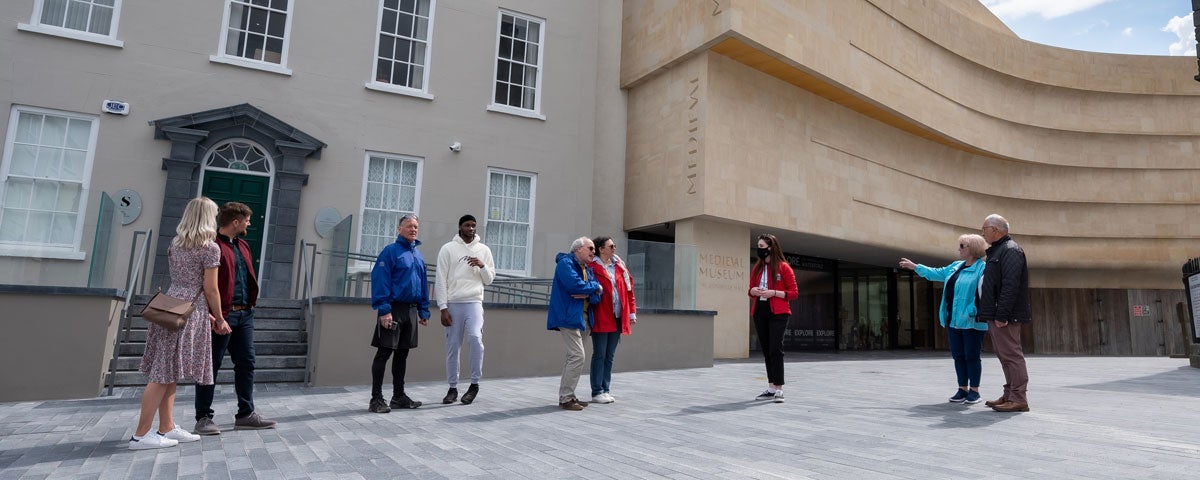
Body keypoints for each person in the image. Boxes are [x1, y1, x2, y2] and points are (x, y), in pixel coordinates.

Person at [130, 197, 227, 449]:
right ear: (208, 217)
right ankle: (141, 435)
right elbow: (211, 289)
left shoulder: (176, 243)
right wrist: (219, 316)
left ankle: (167, 427)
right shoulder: (210, 248)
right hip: (188, 312)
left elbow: (183, 281)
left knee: (168, 371)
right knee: (162, 374)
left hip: (171, 305)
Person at [194, 202, 276, 435]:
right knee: (210, 366)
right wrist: (213, 315)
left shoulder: (244, 246)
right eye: (247, 220)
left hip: (245, 314)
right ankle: (203, 418)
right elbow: (203, 284)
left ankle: (245, 414)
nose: (250, 223)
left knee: (247, 362)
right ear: (236, 222)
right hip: (221, 316)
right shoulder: (212, 247)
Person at [899, 234, 989, 404]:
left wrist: (975, 309)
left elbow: (987, 293)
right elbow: (935, 273)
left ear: (973, 249)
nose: (959, 249)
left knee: (972, 355)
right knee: (958, 355)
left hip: (972, 321)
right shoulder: (955, 266)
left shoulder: (982, 269)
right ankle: (962, 389)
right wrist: (915, 266)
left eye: (962, 246)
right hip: (953, 320)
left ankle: (974, 391)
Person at [369, 214, 431, 413]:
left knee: (402, 354)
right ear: (399, 229)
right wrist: (384, 310)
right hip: (393, 309)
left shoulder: (418, 256)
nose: (413, 229)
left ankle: (398, 396)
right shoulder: (390, 252)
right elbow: (380, 280)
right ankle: (376, 399)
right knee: (384, 353)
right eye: (409, 226)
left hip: (411, 310)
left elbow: (423, 285)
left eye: (416, 227)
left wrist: (423, 310)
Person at [434, 214, 495, 405]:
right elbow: (440, 279)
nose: (471, 229)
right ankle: (452, 388)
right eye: (467, 225)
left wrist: (482, 265)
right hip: (453, 303)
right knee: (453, 345)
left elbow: (489, 279)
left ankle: (474, 384)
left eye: (474, 226)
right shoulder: (448, 249)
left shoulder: (483, 250)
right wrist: (443, 307)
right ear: (460, 227)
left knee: (476, 338)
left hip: (474, 302)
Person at [978, 214, 1032, 413]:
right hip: (996, 314)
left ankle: (1018, 398)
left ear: (996, 230)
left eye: (984, 228)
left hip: (1005, 316)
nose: (982, 232)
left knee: (1011, 355)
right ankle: (1010, 394)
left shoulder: (1010, 250)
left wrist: (1002, 314)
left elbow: (1010, 285)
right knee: (1004, 356)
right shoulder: (998, 250)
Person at [547, 237, 602, 411]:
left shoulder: (587, 268)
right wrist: (593, 288)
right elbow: (574, 286)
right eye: (590, 248)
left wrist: (592, 290)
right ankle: (566, 399)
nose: (594, 252)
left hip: (584, 319)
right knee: (578, 356)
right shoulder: (565, 264)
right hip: (568, 317)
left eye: (594, 249)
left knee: (573, 357)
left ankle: (568, 395)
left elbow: (598, 295)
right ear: (578, 249)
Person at [586, 236, 638, 404]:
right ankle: (597, 391)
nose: (614, 248)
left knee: (610, 355)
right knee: (600, 354)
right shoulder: (591, 266)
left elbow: (629, 290)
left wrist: (632, 313)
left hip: (617, 316)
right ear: (601, 249)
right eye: (611, 246)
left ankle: (605, 389)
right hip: (601, 314)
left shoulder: (619, 266)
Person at [747, 233, 798, 403]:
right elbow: (750, 289)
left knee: (776, 349)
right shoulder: (757, 268)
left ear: (770, 248)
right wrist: (752, 291)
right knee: (767, 350)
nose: (759, 250)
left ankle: (779, 389)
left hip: (778, 313)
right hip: (760, 311)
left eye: (761, 247)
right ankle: (770, 388)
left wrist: (773, 293)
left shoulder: (784, 268)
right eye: (758, 246)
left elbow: (794, 293)